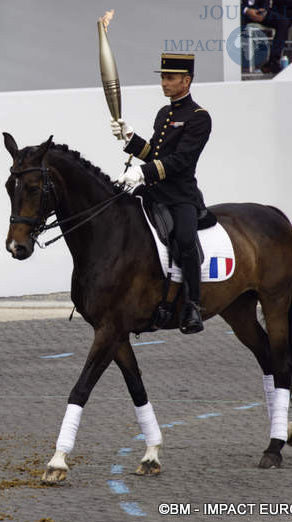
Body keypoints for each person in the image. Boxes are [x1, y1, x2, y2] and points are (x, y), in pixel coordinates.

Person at [110, 53, 210, 335]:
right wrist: (130, 139)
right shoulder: (164, 114)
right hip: (155, 192)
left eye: (170, 78)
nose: (164, 83)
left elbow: (180, 161)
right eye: (163, 78)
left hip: (181, 196)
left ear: (186, 81)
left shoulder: (199, 117)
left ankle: (192, 305)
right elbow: (154, 153)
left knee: (186, 240)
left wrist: (142, 173)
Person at [242, 0, 292, 74]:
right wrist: (247, 10)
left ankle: (273, 61)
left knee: (283, 22)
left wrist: (263, 10)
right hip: (240, 13)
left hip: (259, 11)